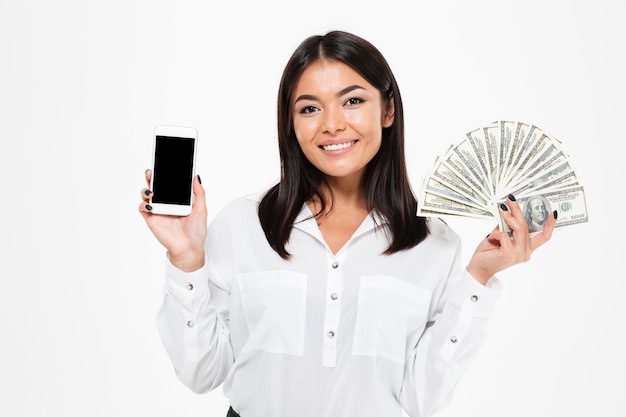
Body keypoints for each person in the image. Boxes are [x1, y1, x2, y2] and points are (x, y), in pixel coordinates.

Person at [139, 30, 557, 417]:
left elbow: (421, 398)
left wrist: (479, 278)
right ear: (290, 122)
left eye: (353, 101)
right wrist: (186, 258)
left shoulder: (435, 244)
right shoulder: (242, 224)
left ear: (388, 109)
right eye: (309, 108)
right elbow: (201, 374)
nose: (332, 123)